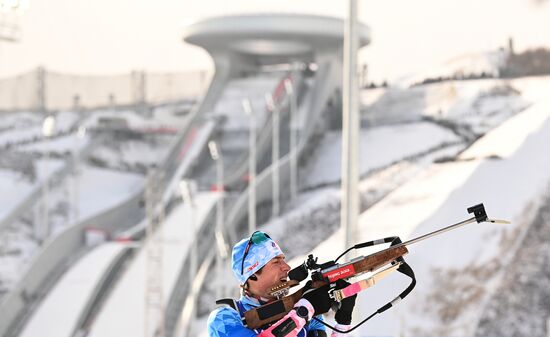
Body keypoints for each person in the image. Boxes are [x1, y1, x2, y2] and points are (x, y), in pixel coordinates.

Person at [207, 231, 357, 337]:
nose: (287, 267)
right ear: (252, 273)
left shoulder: (299, 308)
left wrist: (342, 323)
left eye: (283, 259)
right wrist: (302, 313)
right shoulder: (224, 319)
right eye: (276, 261)